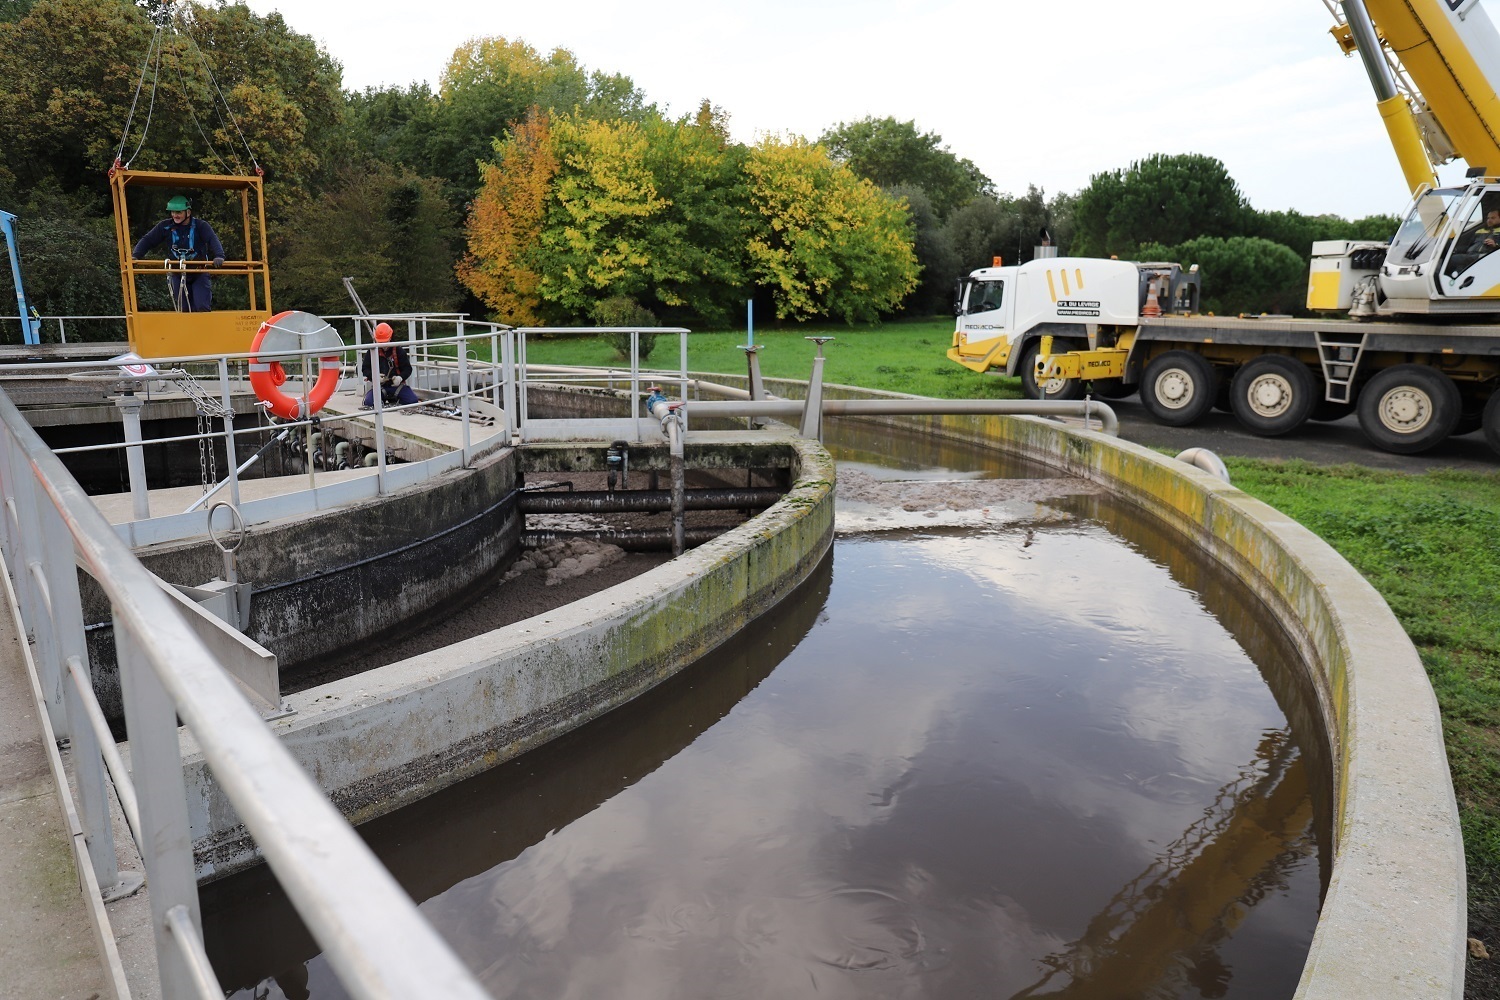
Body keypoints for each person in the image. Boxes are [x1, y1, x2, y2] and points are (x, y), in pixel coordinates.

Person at [132, 195, 225, 312]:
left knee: (201, 306)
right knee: (183, 308)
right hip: (178, 273)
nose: (175, 215)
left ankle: (203, 329)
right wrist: (135, 256)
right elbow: (148, 240)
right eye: (172, 212)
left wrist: (219, 256)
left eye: (178, 212)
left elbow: (212, 239)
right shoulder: (165, 226)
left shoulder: (201, 226)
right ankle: (186, 330)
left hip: (199, 272)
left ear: (188, 212)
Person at [360, 322, 419, 409]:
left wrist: (400, 378)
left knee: (412, 400)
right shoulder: (372, 351)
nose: (383, 345)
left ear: (390, 338)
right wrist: (374, 376)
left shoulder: (398, 351)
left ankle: (394, 399)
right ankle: (384, 399)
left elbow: (407, 369)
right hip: (380, 387)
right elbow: (365, 368)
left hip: (396, 387)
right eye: (380, 342)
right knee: (369, 402)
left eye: (385, 342)